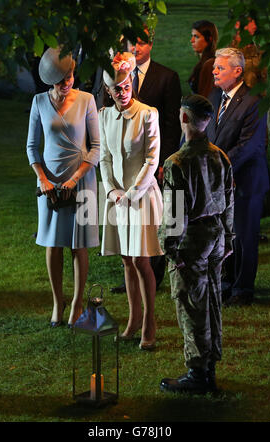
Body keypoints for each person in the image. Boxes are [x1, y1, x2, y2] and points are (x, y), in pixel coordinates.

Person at [159, 94, 234, 393]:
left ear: (184, 118)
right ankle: (209, 365)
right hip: (216, 235)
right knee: (212, 302)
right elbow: (229, 201)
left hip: (191, 240)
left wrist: (169, 248)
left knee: (191, 305)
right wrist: (229, 237)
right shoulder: (220, 155)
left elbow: (174, 213)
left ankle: (198, 373)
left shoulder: (177, 162)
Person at [26, 47, 100, 327]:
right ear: (50, 81)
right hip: (49, 183)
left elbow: (96, 148)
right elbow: (32, 147)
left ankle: (78, 302)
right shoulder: (38, 102)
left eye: (69, 76)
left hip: (81, 180)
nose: (67, 82)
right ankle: (58, 302)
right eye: (60, 79)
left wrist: (75, 179)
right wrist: (43, 179)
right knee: (53, 242)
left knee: (78, 245)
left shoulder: (87, 100)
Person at [110, 25, 182, 293]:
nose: (135, 48)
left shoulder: (167, 77)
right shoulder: (116, 77)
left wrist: (165, 161)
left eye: (141, 43)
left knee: (156, 219)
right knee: (129, 221)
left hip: (155, 160)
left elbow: (172, 124)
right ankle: (131, 272)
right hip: (127, 162)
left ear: (150, 45)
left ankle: (156, 271)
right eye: (131, 43)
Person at [99, 52, 163, 350]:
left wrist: (131, 194)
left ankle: (150, 321)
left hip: (141, 196)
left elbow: (152, 159)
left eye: (126, 87)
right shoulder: (103, 116)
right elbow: (104, 158)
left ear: (131, 85)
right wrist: (111, 191)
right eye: (117, 89)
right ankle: (133, 318)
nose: (122, 93)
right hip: (117, 197)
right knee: (125, 258)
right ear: (108, 91)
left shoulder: (148, 113)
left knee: (141, 259)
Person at [207, 47, 269, 306]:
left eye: (219, 68)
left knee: (244, 236)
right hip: (222, 181)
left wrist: (217, 165)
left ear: (237, 71)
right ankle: (227, 283)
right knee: (225, 235)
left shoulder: (254, 101)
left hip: (246, 181)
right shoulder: (214, 97)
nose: (214, 72)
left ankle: (243, 288)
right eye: (214, 68)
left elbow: (250, 145)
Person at [188, 20, 218, 98]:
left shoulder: (210, 64)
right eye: (192, 36)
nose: (192, 40)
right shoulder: (204, 62)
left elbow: (205, 97)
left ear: (209, 39)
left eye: (196, 37)